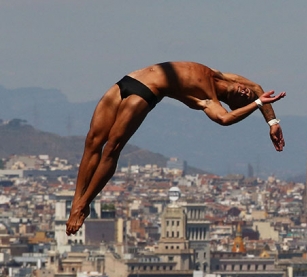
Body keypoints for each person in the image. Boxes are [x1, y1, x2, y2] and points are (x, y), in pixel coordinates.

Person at [66, 61, 286, 235]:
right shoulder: (221, 75)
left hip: (146, 92)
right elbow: (258, 88)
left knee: (112, 147)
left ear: (231, 101)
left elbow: (226, 119)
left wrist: (257, 104)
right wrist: (272, 123)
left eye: (243, 97)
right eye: (246, 92)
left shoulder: (208, 100)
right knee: (92, 141)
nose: (246, 91)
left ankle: (84, 205)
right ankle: (77, 202)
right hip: (129, 80)